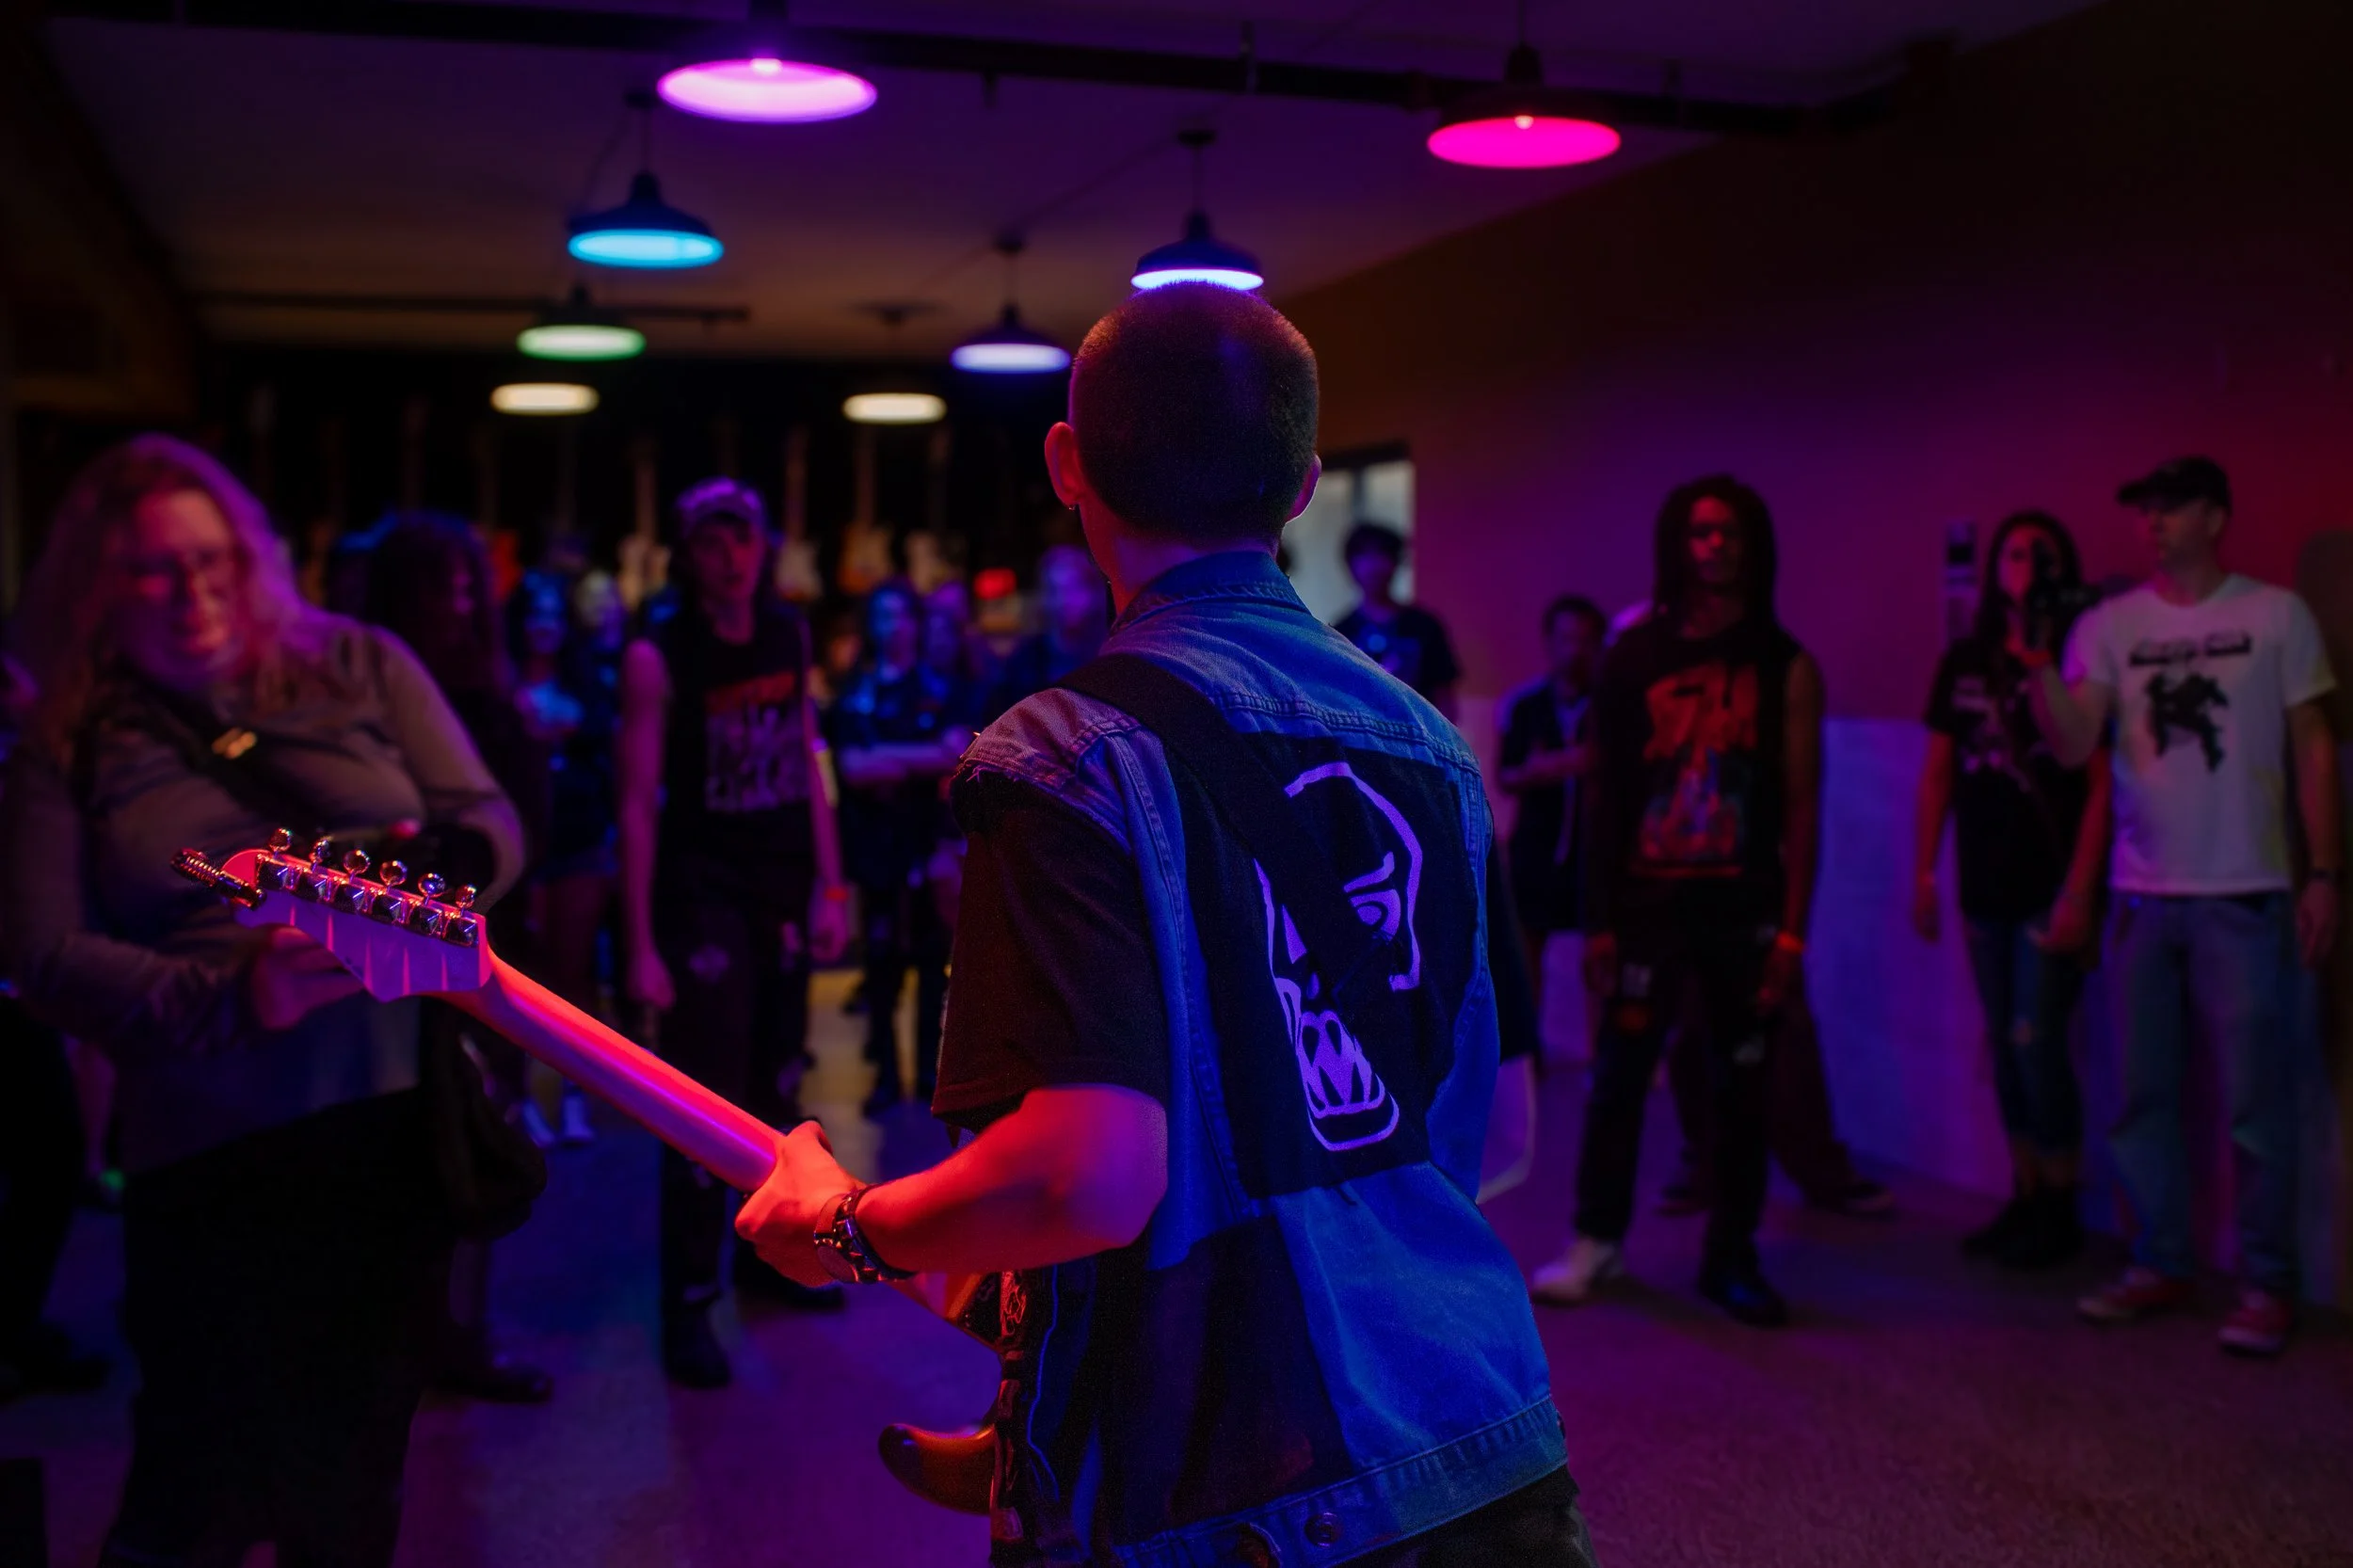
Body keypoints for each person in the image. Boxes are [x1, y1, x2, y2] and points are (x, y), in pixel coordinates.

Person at [738, 284, 1591, 1566]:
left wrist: (853, 1226)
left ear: (1067, 464)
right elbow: (1501, 1128)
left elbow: (1091, 1173)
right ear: (1303, 489)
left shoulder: (1063, 755)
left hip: (1232, 1492)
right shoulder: (1436, 750)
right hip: (1489, 1436)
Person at [0, 435, 523, 1564]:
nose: (190, 592)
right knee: (198, 1482)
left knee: (352, 1471)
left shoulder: (359, 664)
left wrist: (414, 889)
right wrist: (235, 993)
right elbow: (39, 952)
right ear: (98, 582)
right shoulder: (70, 741)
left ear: (248, 558)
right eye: (153, 569)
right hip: (208, 1146)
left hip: (384, 1127)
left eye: (210, 560)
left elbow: (488, 823)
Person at [2025, 456, 2339, 1357]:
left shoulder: (2275, 614)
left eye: (2170, 508)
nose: (2152, 523)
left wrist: (2325, 874)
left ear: (2216, 515)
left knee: (2254, 1102)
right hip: (2141, 898)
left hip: (2244, 891)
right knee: (2140, 1095)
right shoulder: (2111, 624)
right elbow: (2075, 738)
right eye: (2145, 511)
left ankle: (2267, 1281)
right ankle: (2158, 1258)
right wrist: (2042, 664)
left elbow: (2315, 748)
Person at [1532, 475, 1823, 1327]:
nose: (1715, 547)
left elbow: (1804, 807)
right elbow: (1606, 797)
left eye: (1730, 533)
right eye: (1699, 533)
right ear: (1678, 546)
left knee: (1740, 1090)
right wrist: (1597, 920)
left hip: (1743, 910)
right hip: (1646, 908)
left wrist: (1793, 937)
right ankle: (1597, 1238)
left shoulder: (1785, 665)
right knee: (1618, 1082)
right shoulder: (1633, 658)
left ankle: (1731, 1256)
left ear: (1752, 545)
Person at [616, 477, 853, 1389]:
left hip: (781, 884)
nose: (731, 556)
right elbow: (635, 805)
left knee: (776, 1089)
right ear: (687, 552)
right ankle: (687, 1301)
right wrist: (637, 941)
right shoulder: (658, 653)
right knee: (698, 1104)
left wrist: (831, 884)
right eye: (712, 541)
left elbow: (808, 755)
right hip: (700, 888)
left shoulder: (788, 635)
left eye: (743, 538)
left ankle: (769, 1262)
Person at [358, 512, 557, 1408]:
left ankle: (460, 1338)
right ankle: (405, 1338)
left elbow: (520, 814)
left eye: (467, 582)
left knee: (477, 1127)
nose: (460, 600)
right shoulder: (378, 688)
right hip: (393, 942)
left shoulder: (483, 679)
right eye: (441, 584)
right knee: (402, 1137)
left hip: (488, 926)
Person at [1913, 510, 2111, 1268]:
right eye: (2016, 552)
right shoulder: (1965, 659)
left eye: (2043, 554)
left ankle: (2060, 1202)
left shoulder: (2079, 656)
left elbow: (2100, 784)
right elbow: (1937, 772)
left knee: (2038, 1042)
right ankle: (2025, 1193)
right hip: (1982, 887)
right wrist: (1924, 871)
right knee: (2002, 1044)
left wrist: (2079, 892)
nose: (2026, 566)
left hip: (2045, 886)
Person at [824, 578, 976, 1116]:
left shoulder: (941, 686)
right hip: (876, 852)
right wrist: (922, 754)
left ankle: (932, 1079)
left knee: (935, 967)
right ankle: (886, 1075)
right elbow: (852, 768)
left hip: (930, 845)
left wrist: (888, 757)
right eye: (883, 616)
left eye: (903, 615)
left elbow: (957, 753)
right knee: (883, 968)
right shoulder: (855, 690)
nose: (894, 626)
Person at [509, 568, 613, 1148]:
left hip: (577, 841)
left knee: (575, 976)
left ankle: (574, 1099)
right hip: (522, 848)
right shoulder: (499, 687)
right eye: (534, 613)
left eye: (553, 614)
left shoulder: (585, 683)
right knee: (522, 977)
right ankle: (524, 1099)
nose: (543, 626)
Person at [1495, 595, 1605, 1045]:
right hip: (1536, 853)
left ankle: (1602, 1064)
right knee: (1526, 961)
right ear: (1549, 642)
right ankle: (1529, 1059)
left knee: (1599, 962)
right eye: (1565, 639)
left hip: (1594, 855)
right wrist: (1554, 768)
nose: (1573, 650)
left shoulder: (1609, 706)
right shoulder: (1526, 706)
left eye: (1584, 640)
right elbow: (1506, 775)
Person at [1335, 521, 1463, 720]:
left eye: (1382, 554)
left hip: (1421, 741)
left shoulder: (1424, 625)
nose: (1374, 566)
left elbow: (1445, 694)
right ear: (1350, 564)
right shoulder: (1340, 632)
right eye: (1364, 555)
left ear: (1396, 562)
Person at [984, 543, 1110, 723]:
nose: (1063, 600)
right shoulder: (1025, 659)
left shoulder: (1106, 655)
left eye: (1072, 589)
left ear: (1091, 593)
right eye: (1054, 590)